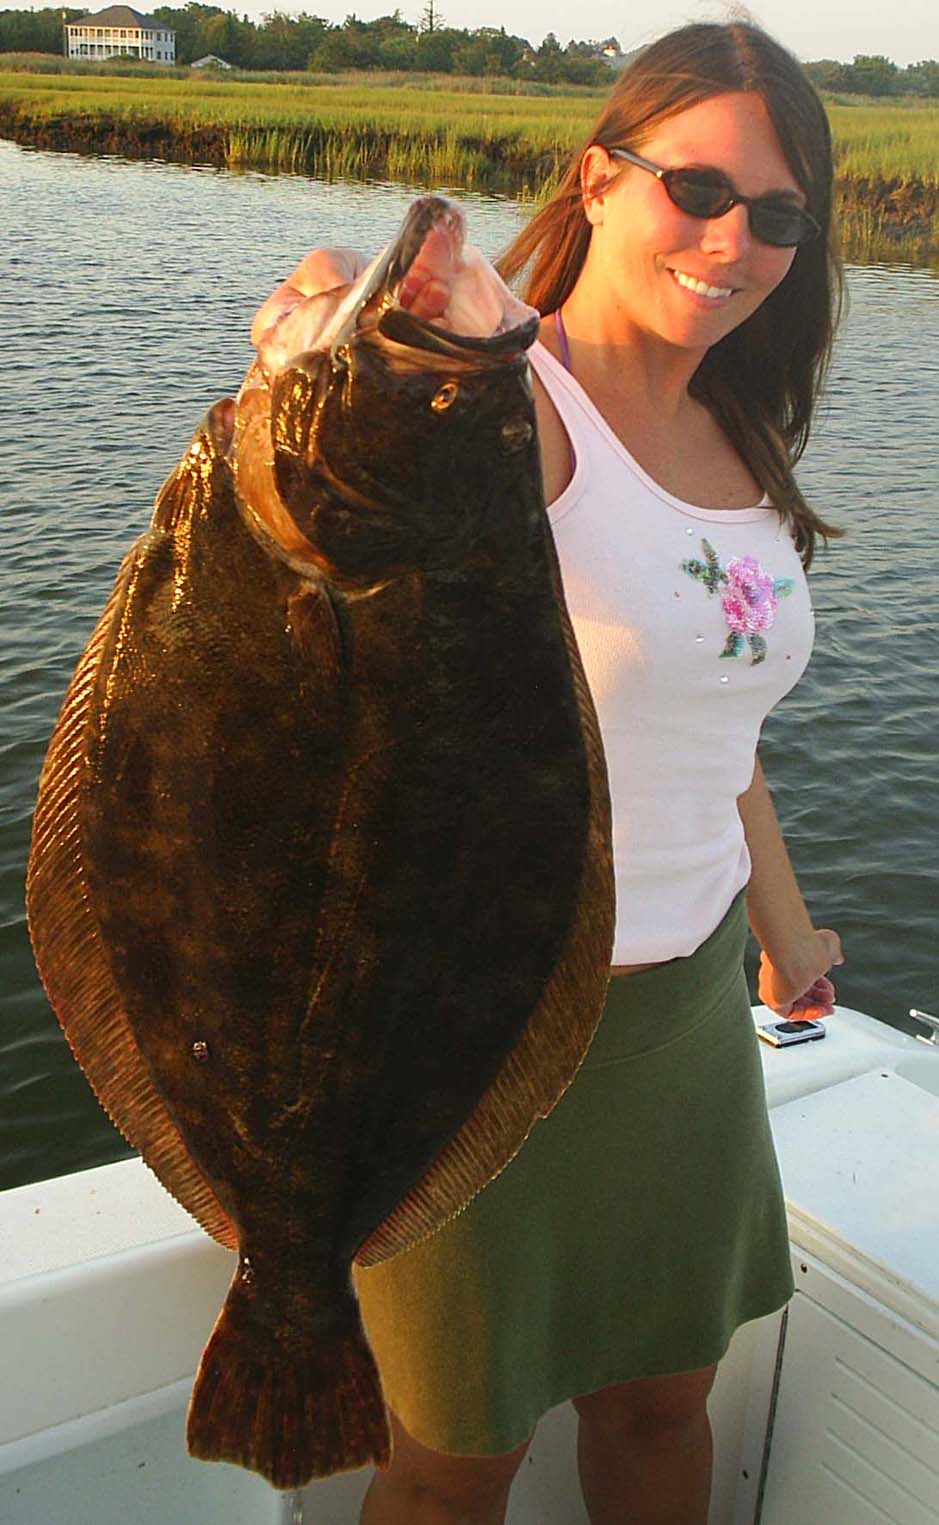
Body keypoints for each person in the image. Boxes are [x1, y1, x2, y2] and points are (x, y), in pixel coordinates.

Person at [268, 21, 846, 1524]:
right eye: (697, 187)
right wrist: (313, 374)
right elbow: (322, 540)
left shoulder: (742, 423)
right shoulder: (498, 404)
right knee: (458, 1455)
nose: (735, 240)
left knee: (664, 1400)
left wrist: (786, 932)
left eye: (778, 212)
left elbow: (722, 730)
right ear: (600, 175)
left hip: (685, 1022)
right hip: (475, 1026)